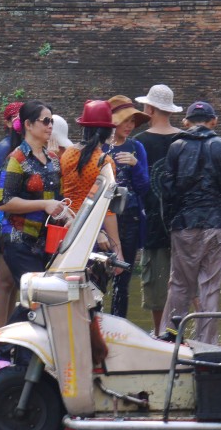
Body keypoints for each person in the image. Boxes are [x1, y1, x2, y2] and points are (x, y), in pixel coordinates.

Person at [159, 101, 221, 344]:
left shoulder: (177, 147)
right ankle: (208, 343)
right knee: (210, 286)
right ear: (213, 121)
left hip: (184, 223)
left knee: (180, 283)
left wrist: (171, 224)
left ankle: (172, 335)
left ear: (186, 123)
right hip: (216, 225)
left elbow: (167, 190)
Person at [0, 100, 66, 285]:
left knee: (43, 299)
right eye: (45, 121)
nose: (50, 126)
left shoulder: (53, 159)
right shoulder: (16, 158)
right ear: (28, 124)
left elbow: (58, 197)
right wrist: (44, 204)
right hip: (19, 240)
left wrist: (66, 213)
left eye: (51, 121)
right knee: (37, 296)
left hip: (47, 241)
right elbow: (4, 201)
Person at [134, 84, 183, 333]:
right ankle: (183, 333)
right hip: (184, 223)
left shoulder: (138, 143)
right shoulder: (185, 140)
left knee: (155, 283)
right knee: (186, 281)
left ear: (150, 109)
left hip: (151, 223)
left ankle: (159, 333)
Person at [104, 95, 150, 318]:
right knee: (97, 277)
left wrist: (136, 165)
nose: (130, 126)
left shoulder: (136, 147)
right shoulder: (100, 147)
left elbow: (144, 187)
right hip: (101, 220)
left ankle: (117, 324)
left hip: (128, 218)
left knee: (123, 279)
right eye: (125, 121)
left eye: (132, 121)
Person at [59, 101, 122, 257]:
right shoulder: (105, 162)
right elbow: (107, 210)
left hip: (66, 226)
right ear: (108, 132)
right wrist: (118, 249)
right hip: (93, 233)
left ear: (84, 128)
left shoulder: (67, 155)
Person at [0, 101, 23, 329]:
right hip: (2, 220)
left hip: (17, 220)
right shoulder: (5, 147)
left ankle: (8, 329)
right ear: (8, 123)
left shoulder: (21, 148)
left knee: (14, 282)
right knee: (4, 280)